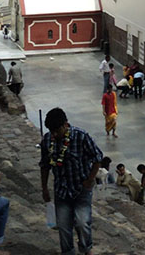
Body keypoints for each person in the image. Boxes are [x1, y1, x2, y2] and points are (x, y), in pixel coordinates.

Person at [40, 107, 103, 255]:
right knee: (63, 225)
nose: (55, 134)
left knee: (82, 222)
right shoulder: (48, 140)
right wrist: (44, 188)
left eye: (57, 130)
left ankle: (86, 248)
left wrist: (90, 179)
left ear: (65, 125)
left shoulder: (81, 136)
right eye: (52, 131)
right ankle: (68, 252)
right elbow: (44, 165)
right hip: (61, 189)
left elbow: (98, 157)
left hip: (81, 188)